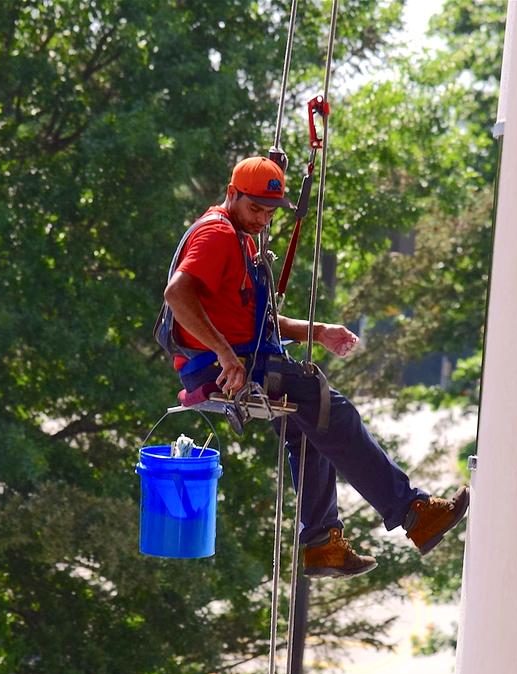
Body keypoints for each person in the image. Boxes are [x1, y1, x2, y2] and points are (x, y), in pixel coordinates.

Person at [160, 156, 469, 578]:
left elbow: (258, 322)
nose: (262, 219)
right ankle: (413, 512)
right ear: (232, 194)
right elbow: (177, 294)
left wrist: (318, 331)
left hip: (240, 360)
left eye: (270, 212)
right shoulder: (217, 233)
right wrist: (225, 354)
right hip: (222, 365)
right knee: (330, 409)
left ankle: (323, 544)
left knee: (308, 430)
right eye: (255, 208)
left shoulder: (241, 240)